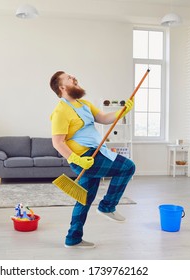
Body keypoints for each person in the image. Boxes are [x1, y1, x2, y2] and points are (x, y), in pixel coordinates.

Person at [49, 71, 136, 249]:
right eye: (68, 78)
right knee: (127, 167)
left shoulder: (84, 104)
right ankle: (107, 206)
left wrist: (122, 111)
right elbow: (57, 143)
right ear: (62, 87)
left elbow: (103, 118)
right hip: (83, 158)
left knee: (84, 199)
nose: (74, 78)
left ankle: (73, 238)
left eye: (72, 76)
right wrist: (77, 160)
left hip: (94, 153)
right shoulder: (60, 111)